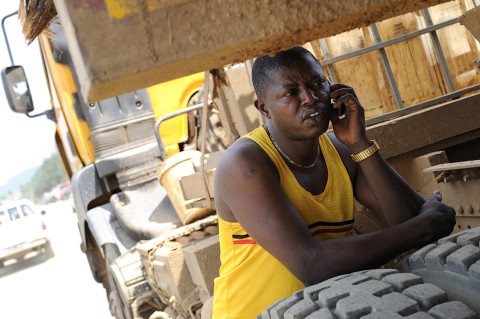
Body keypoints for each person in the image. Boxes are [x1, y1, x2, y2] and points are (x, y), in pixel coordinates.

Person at [212, 46, 455, 318]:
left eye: (317, 83)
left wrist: (358, 142)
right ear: (264, 108)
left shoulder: (340, 150)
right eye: (291, 93)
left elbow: (403, 220)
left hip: (331, 309)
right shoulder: (244, 163)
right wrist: (422, 226)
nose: (310, 98)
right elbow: (312, 266)